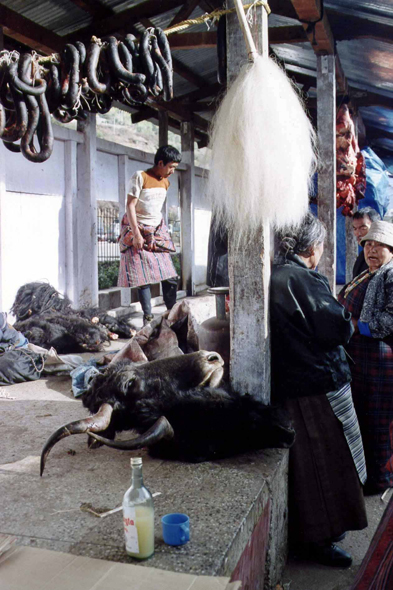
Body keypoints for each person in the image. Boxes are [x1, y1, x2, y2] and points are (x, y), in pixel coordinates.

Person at [271, 211, 367, 567]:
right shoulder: (301, 278)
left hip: (297, 380)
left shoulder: (279, 275)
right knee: (324, 465)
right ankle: (320, 540)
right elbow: (337, 328)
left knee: (318, 464)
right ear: (313, 245)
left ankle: (323, 533)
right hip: (315, 382)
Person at [338, 220, 393, 494]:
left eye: (379, 245)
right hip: (361, 359)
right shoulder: (369, 272)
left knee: (376, 422)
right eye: (368, 244)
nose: (372, 250)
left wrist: (351, 324)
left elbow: (385, 323)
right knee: (362, 417)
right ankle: (365, 477)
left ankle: (379, 480)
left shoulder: (390, 275)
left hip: (379, 362)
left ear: (391, 249)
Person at [118, 145, 181, 325]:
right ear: (160, 163)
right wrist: (137, 234)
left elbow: (156, 209)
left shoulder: (166, 182)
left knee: (169, 275)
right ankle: (147, 317)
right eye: (171, 167)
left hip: (157, 230)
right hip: (136, 228)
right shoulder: (140, 177)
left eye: (174, 168)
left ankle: (171, 313)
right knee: (142, 277)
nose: (172, 171)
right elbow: (130, 205)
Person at [352, 207, 381, 278]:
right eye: (355, 229)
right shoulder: (363, 255)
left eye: (363, 228)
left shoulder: (380, 254)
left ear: (376, 227)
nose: (358, 233)